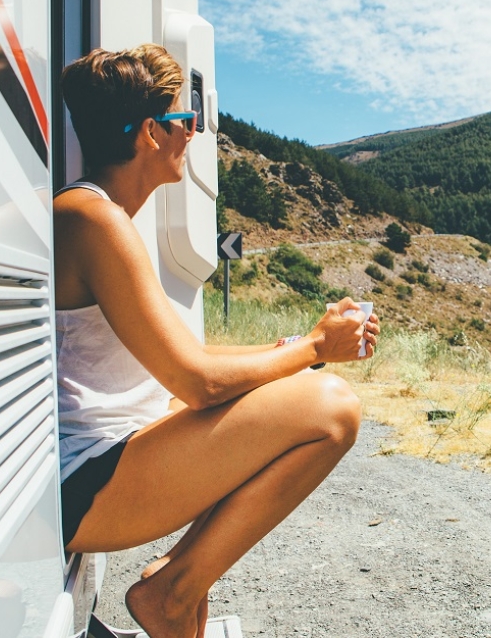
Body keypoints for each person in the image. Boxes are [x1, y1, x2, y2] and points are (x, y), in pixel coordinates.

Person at [54, 44, 378, 638]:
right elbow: (199, 383)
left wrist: (300, 345)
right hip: (86, 481)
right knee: (333, 408)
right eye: (185, 121)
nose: (194, 133)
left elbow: (187, 358)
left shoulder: (102, 216)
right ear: (150, 133)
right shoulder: (92, 218)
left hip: (109, 460)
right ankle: (173, 591)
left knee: (292, 392)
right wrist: (314, 351)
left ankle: (179, 587)